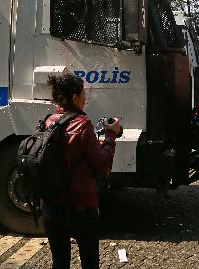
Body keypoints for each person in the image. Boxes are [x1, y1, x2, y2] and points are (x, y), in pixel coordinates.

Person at [43, 74, 121, 269]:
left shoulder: (49, 121)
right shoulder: (83, 125)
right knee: (90, 263)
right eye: (84, 94)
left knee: (59, 263)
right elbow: (102, 163)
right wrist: (111, 134)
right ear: (75, 98)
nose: (86, 98)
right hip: (81, 209)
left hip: (52, 207)